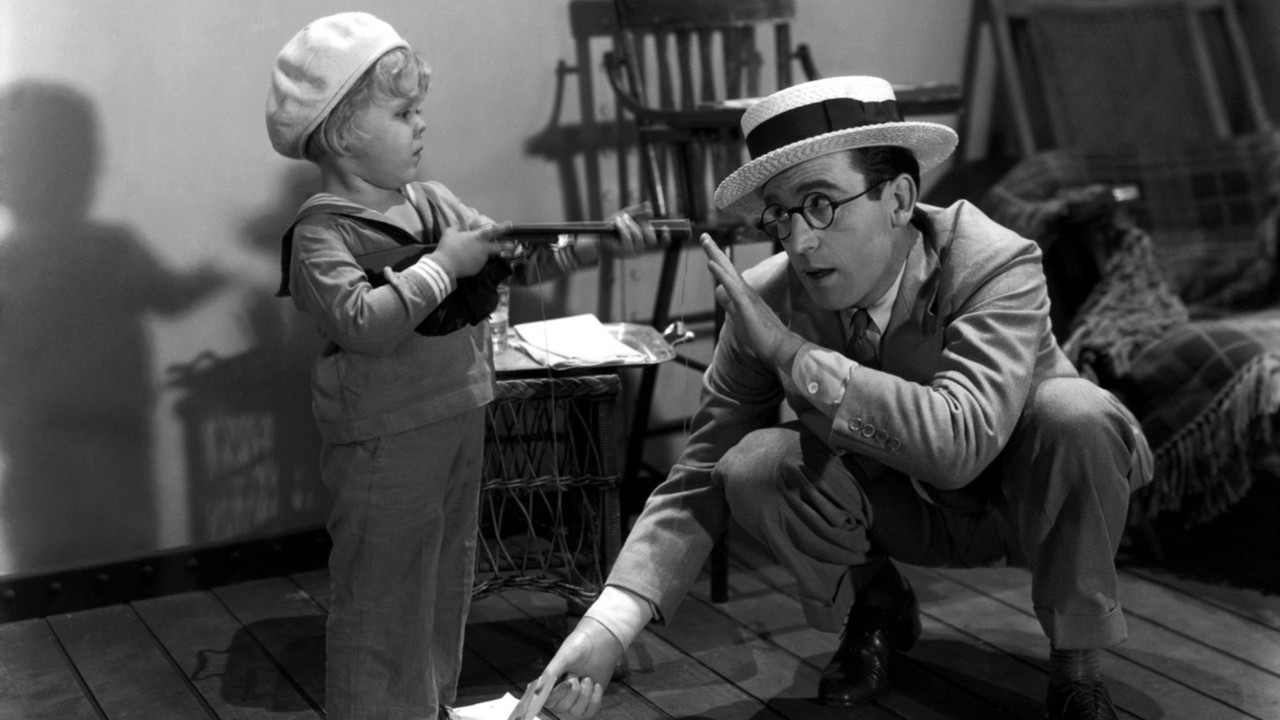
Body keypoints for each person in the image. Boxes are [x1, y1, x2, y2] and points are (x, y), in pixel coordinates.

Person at [512, 76, 1152, 720]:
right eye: (780, 214)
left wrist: (792, 354)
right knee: (755, 465)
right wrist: (607, 629)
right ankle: (878, 604)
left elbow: (961, 445)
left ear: (898, 198)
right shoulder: (771, 295)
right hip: (898, 507)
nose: (798, 241)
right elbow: (701, 471)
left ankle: (1076, 662)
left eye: (820, 203)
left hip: (1028, 504)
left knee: (1077, 413)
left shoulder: (992, 261)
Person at [264, 13, 660, 720]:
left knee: (446, 582)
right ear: (343, 132)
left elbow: (516, 259)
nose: (421, 124)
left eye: (418, 109)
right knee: (383, 591)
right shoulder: (323, 232)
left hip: (458, 411)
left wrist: (600, 244)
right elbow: (363, 324)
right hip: (384, 436)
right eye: (402, 113)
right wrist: (445, 265)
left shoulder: (434, 202)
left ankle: (428, 706)